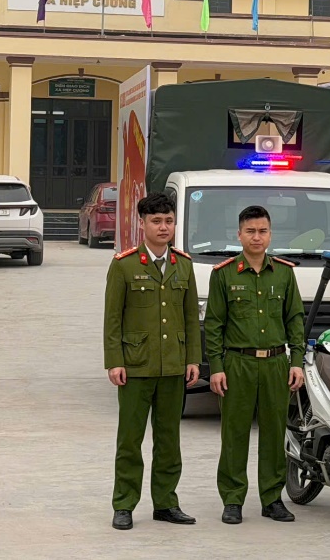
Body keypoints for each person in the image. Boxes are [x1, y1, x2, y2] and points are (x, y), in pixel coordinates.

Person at [103, 192, 201, 530]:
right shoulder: (125, 265)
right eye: (156, 221)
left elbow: (190, 317)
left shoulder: (183, 265)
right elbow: (112, 318)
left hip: (173, 365)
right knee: (130, 440)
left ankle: (166, 503)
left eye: (168, 221)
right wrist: (114, 361)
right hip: (136, 366)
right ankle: (124, 504)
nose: (163, 227)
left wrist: (193, 358)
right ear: (142, 224)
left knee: (169, 440)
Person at [205, 205, 305, 525]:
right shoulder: (224, 274)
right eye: (250, 231)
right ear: (239, 235)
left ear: (270, 235)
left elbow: (295, 320)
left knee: (274, 434)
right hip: (238, 364)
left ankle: (272, 499)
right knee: (234, 434)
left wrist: (297, 362)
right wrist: (216, 367)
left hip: (276, 363)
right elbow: (214, 325)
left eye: (262, 231)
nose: (257, 237)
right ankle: (233, 499)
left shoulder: (284, 273)